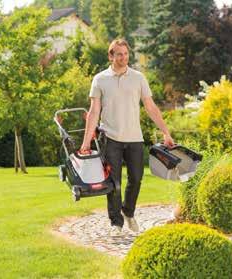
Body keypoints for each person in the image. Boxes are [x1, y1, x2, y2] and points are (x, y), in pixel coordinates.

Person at [80, 39, 174, 233]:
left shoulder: (138, 78)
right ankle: (116, 222)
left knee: (137, 178)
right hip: (110, 137)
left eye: (126, 54)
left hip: (134, 138)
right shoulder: (100, 79)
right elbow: (94, 112)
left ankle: (128, 212)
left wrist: (166, 132)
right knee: (113, 182)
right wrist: (86, 140)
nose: (123, 58)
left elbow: (150, 107)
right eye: (119, 54)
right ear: (111, 56)